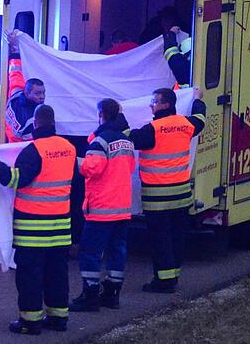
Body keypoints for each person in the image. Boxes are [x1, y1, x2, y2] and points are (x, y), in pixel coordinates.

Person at [0, 105, 76, 334]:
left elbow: (16, 180)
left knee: (30, 277)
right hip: (60, 226)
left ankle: (30, 321)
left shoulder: (33, 150)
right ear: (54, 122)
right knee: (57, 274)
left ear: (35, 123)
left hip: (33, 228)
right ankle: (58, 318)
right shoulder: (69, 148)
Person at [126, 87, 206, 292]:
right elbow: (200, 119)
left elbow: (129, 138)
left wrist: (118, 114)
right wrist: (197, 98)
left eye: (155, 101)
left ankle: (163, 281)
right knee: (176, 237)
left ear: (166, 105)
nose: (151, 104)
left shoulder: (153, 129)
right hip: (181, 197)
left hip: (158, 198)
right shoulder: (185, 124)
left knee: (160, 239)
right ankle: (173, 275)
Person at [70, 98, 136, 312]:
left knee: (90, 252)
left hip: (101, 208)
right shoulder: (126, 141)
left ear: (101, 115)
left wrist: (75, 160)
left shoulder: (100, 141)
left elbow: (93, 169)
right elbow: (130, 167)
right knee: (118, 251)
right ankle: (112, 294)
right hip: (122, 208)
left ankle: (90, 296)